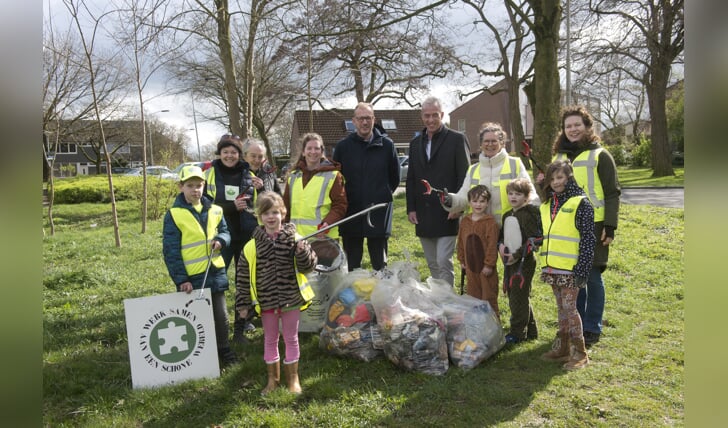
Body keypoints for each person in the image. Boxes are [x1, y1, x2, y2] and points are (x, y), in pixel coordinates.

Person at [551, 105, 621, 347]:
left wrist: (609, 226)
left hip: (594, 224)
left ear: (587, 127)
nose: (572, 129)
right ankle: (574, 324)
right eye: (568, 126)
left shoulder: (601, 155)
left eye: (577, 125)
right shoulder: (558, 157)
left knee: (591, 276)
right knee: (572, 278)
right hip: (566, 226)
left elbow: (612, 193)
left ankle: (592, 327)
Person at [235, 192, 318, 395]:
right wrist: (243, 304)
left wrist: (302, 251)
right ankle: (273, 380)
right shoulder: (251, 246)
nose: (271, 217)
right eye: (266, 213)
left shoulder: (296, 239)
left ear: (283, 213)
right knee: (270, 339)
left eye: (275, 212)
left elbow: (308, 267)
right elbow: (243, 277)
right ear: (259, 216)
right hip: (266, 301)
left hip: (291, 298)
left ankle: (293, 380)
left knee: (291, 338)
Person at [162, 165, 239, 367]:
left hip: (215, 271)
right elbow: (171, 251)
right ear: (181, 187)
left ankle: (224, 348)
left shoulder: (216, 210)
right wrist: (181, 279)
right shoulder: (174, 215)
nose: (195, 190)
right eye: (190, 186)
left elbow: (225, 231)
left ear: (204, 186)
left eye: (199, 185)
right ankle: (199, 353)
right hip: (192, 277)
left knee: (221, 315)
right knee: (195, 317)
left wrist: (222, 240)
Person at [406, 96, 471, 286]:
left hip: (448, 211)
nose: (431, 120)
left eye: (435, 115)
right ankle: (438, 303)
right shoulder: (415, 144)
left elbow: (465, 176)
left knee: (443, 261)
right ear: (422, 117)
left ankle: (449, 302)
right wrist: (411, 207)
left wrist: (458, 206)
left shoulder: (457, 139)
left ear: (442, 115)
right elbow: (411, 178)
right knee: (432, 263)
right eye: (427, 116)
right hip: (423, 213)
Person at [538, 160, 595, 370]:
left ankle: (580, 353)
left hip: (572, 268)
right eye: (552, 179)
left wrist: (583, 268)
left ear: (569, 177)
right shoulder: (548, 204)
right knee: (561, 309)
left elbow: (589, 238)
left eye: (560, 177)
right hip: (552, 266)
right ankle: (563, 348)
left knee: (571, 309)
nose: (555, 182)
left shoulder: (581, 203)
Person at [333, 102, 400, 271]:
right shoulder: (343, 147)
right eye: (361, 118)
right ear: (354, 121)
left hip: (378, 212)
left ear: (374, 119)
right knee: (352, 265)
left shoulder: (387, 146)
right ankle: (355, 297)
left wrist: (378, 194)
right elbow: (336, 180)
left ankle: (380, 295)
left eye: (368, 118)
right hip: (351, 213)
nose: (364, 122)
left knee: (380, 265)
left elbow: (395, 178)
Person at [204, 133, 258, 343]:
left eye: (233, 152)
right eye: (225, 152)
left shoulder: (249, 173)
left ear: (239, 154)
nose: (229, 156)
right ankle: (215, 323)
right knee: (217, 279)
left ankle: (242, 325)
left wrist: (262, 186)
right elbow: (204, 205)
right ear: (220, 153)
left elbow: (260, 202)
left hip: (246, 235)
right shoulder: (209, 175)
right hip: (220, 236)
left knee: (245, 281)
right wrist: (230, 207)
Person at [443, 122, 539, 228]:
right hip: (480, 229)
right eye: (486, 141)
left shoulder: (514, 164)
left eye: (494, 141)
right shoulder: (473, 169)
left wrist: (536, 213)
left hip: (510, 228)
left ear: (502, 143)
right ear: (481, 144)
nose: (490, 144)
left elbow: (530, 194)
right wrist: (450, 200)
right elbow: (464, 197)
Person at [498, 178, 543, 343]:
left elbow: (535, 239)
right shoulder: (507, 215)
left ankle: (517, 333)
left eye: (518, 194)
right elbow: (501, 237)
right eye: (510, 193)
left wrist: (517, 255)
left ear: (526, 196)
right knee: (515, 294)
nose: (513, 197)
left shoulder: (529, 213)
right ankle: (531, 330)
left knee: (519, 294)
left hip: (524, 262)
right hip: (509, 261)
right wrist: (500, 246)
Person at [283, 133, 347, 240]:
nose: (313, 152)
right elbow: (286, 207)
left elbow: (340, 205)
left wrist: (327, 224)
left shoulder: (334, 176)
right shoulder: (293, 176)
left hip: (323, 238)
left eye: (317, 148)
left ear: (322, 152)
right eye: (309, 148)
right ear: (303, 152)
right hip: (296, 238)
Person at [456, 185, 500, 317]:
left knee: (488, 296)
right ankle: (476, 326)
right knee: (473, 297)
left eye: (482, 201)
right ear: (469, 203)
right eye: (475, 201)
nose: (478, 204)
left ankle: (493, 325)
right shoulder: (465, 221)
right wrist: (462, 260)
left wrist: (489, 264)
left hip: (485, 270)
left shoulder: (490, 222)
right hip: (470, 267)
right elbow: (461, 242)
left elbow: (492, 245)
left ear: (487, 203)